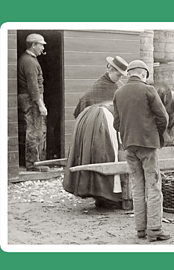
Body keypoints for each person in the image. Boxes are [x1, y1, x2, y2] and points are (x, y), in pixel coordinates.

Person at [113, 60, 170, 242]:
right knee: (153, 186)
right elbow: (163, 117)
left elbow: (116, 123)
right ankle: (154, 229)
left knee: (137, 187)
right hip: (148, 145)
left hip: (130, 146)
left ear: (129, 74)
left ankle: (140, 230)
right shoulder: (148, 90)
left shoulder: (118, 93)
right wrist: (157, 134)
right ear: (144, 74)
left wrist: (128, 133)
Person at [63, 56, 129, 209]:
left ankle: (111, 195)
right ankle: (102, 196)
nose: (119, 78)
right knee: (98, 160)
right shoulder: (97, 87)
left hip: (113, 132)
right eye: (117, 74)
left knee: (111, 159)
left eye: (121, 75)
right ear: (109, 69)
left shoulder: (118, 87)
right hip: (96, 134)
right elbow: (83, 107)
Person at [17, 33, 49, 172]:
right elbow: (33, 87)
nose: (42, 47)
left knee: (36, 130)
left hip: (30, 99)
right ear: (33, 45)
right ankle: (33, 164)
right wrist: (41, 105)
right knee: (34, 131)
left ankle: (37, 162)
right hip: (31, 100)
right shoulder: (29, 61)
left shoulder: (29, 59)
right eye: (41, 44)